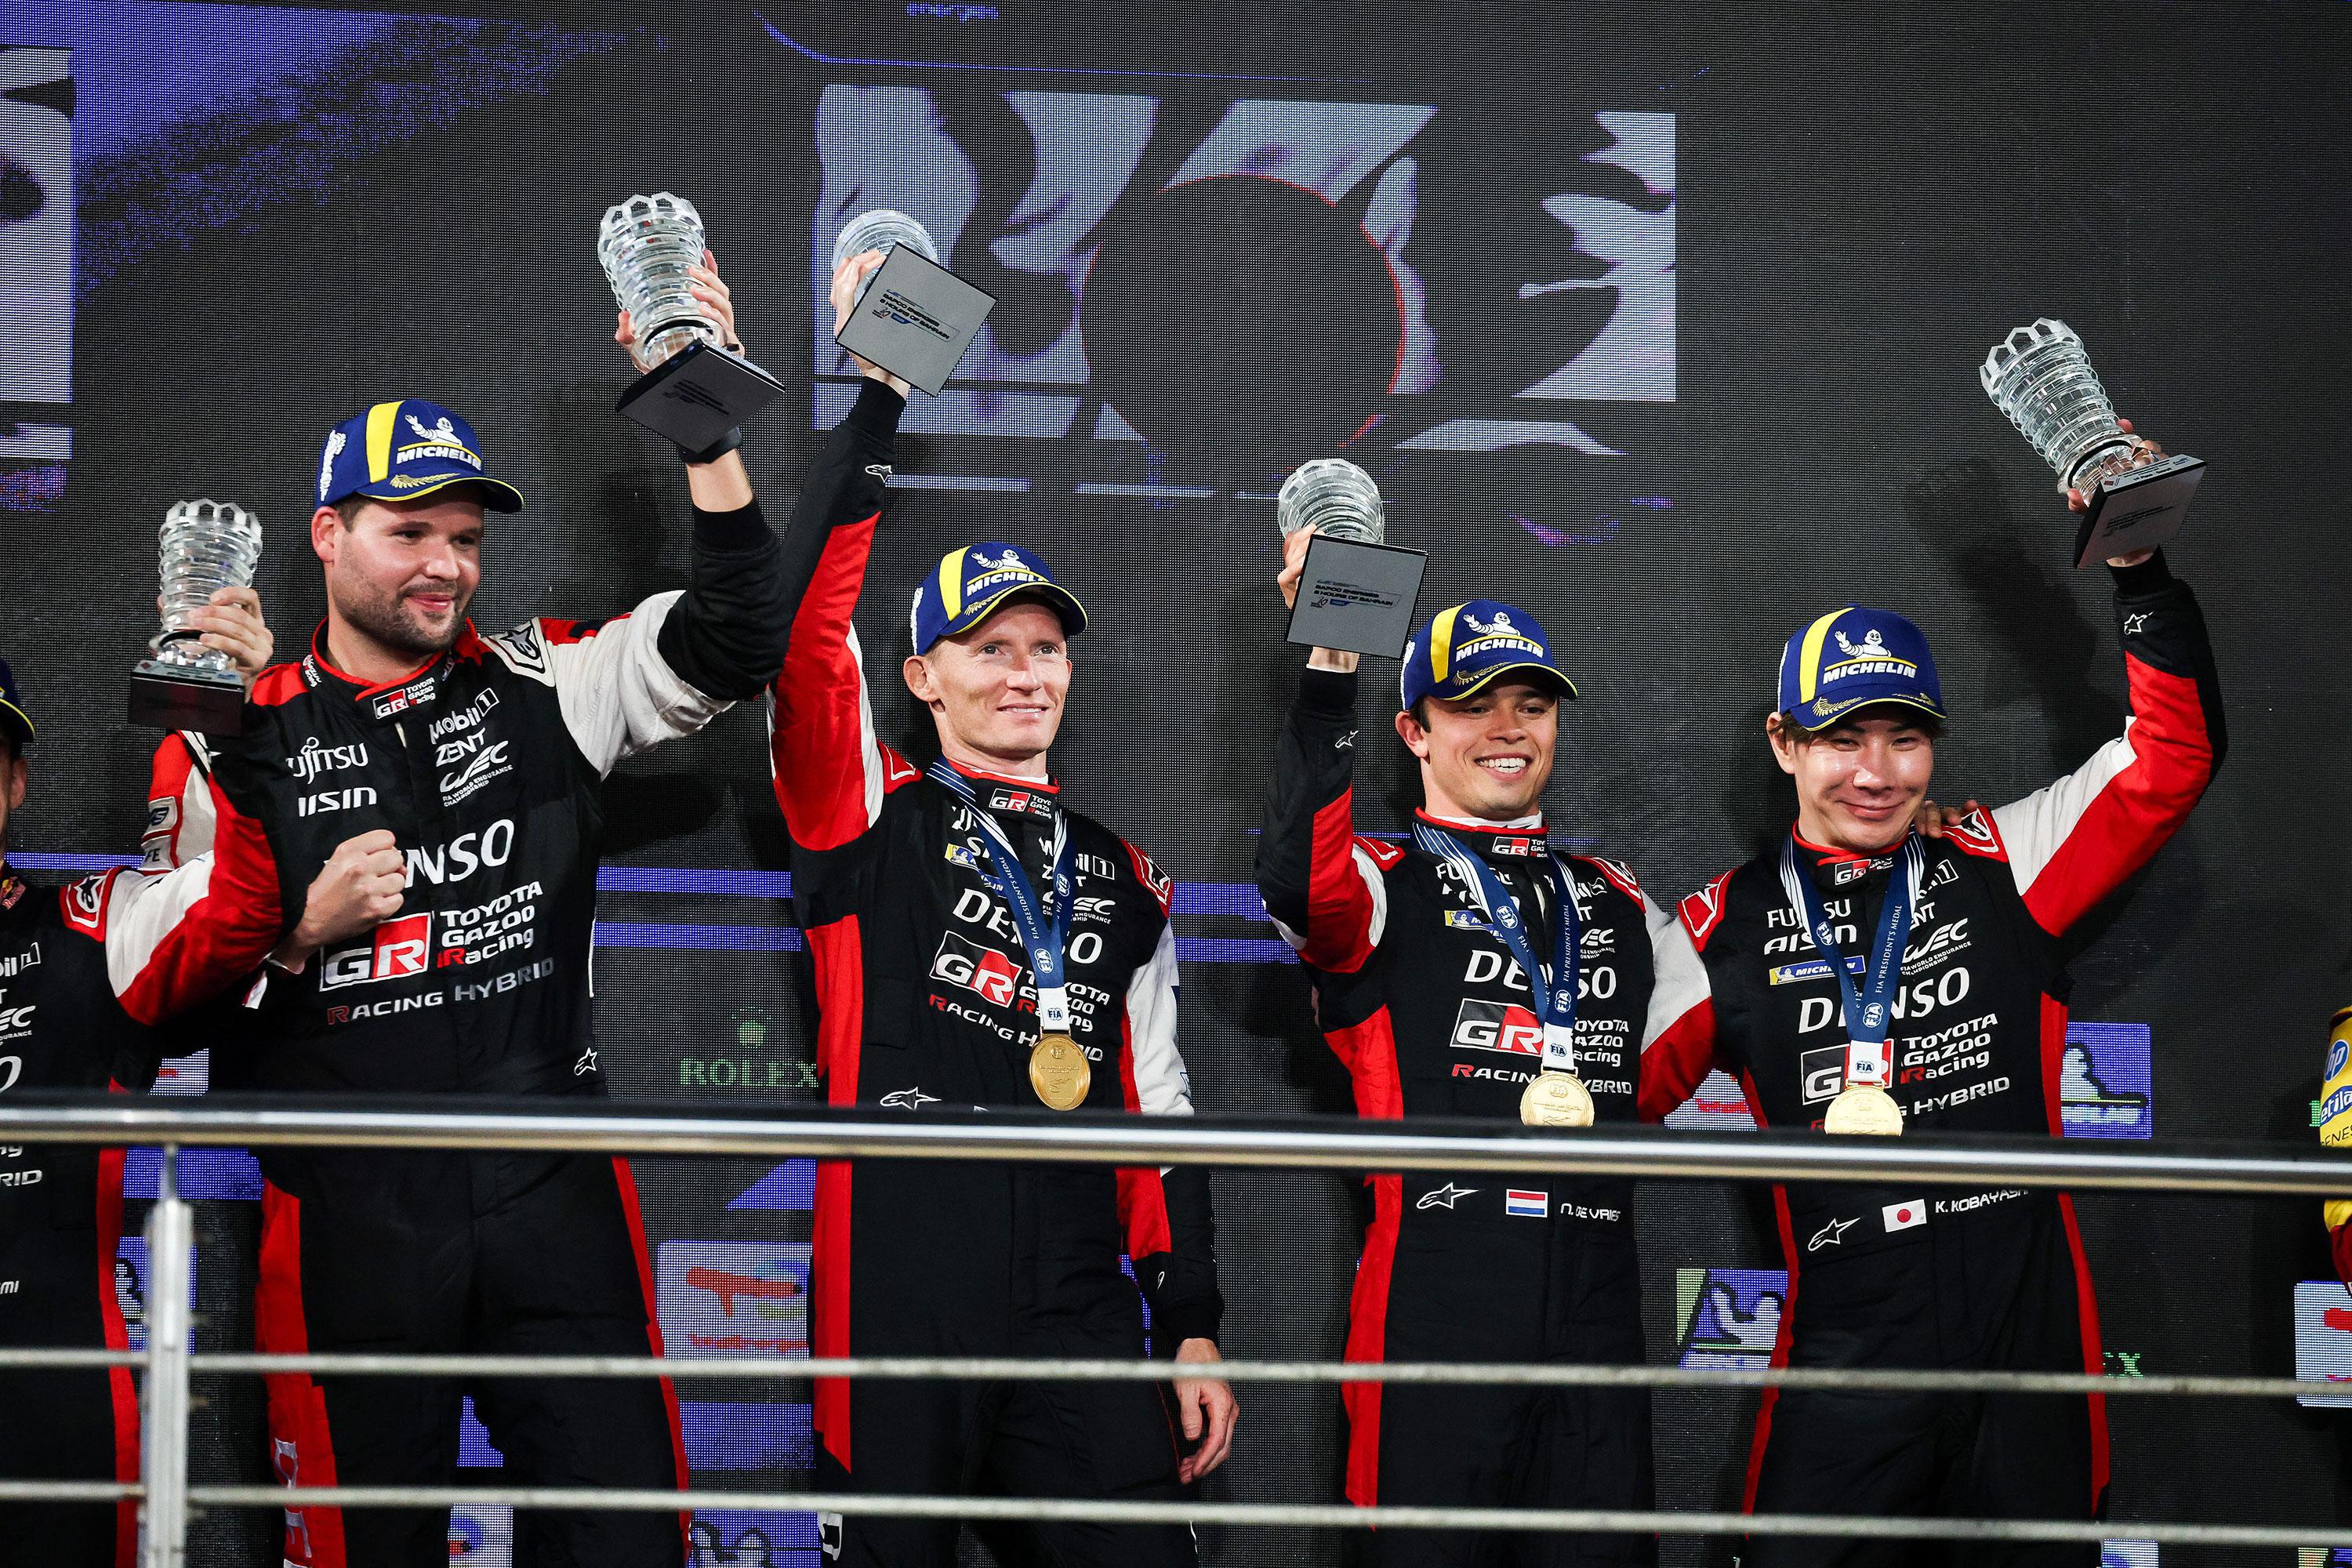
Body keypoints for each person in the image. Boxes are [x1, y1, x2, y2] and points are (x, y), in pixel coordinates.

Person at [122, 253, 808, 1568]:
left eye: (467, 538)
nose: (445, 566)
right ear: (327, 536)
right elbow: (158, 1000)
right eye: (410, 533)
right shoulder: (228, 729)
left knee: (626, 1544)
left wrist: (704, 426)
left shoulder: (548, 677)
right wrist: (295, 933)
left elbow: (740, 634)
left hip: (552, 1181)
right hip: (351, 1205)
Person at [1640, 441, 2223, 1561]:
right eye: (1841, 738)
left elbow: (2170, 758)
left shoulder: (2005, 858)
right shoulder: (1720, 929)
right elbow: (1597, 1095)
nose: (1876, 772)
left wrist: (2139, 566)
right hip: (1853, 1345)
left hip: (2027, 1334)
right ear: (1784, 744)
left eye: (1903, 738)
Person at [765, 249, 1232, 1568]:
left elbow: (1158, 1109)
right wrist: (880, 396)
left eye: (1045, 648)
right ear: (923, 676)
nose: (1025, 674)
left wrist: (1191, 1320)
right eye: (990, 649)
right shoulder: (866, 812)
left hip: (1079, 1295)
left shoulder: (1126, 875)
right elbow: (803, 639)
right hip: (900, 1281)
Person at [1256, 526, 1664, 1566]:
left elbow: (1717, 1027)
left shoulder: (1617, 898)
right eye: (1472, 705)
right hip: (1438, 1303)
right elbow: (1298, 879)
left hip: (1600, 1308)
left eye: (1531, 704)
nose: (1507, 728)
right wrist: (1333, 655)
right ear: (1415, 730)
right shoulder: (1381, 880)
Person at [0, 593, 359, 1568]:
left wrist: (234, 719)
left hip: (45, 1397)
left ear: (18, 780)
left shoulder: (95, 922)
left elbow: (244, 902)